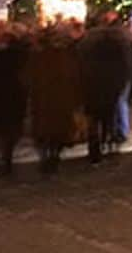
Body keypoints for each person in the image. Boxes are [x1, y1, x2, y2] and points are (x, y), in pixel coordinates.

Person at [78, 12, 132, 163]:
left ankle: (95, 147)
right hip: (110, 82)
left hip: (90, 83)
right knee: (108, 114)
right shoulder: (119, 38)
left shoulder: (87, 41)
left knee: (93, 117)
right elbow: (126, 62)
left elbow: (79, 63)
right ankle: (109, 138)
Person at [29, 26, 82, 174]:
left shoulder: (39, 57)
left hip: (46, 100)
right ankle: (53, 154)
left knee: (45, 130)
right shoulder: (64, 57)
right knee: (56, 130)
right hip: (59, 100)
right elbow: (75, 78)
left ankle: (48, 155)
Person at [0, 28, 29, 175]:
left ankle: (1, 156)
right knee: (11, 129)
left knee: (1, 128)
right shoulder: (21, 57)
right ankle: (6, 156)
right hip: (14, 96)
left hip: (0, 96)